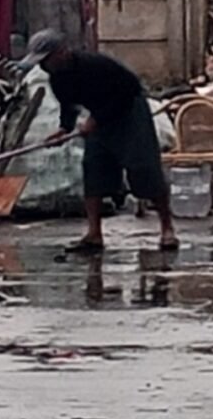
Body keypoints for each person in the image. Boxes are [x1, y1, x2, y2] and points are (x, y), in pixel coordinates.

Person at [20, 29, 178, 252]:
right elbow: (69, 105)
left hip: (129, 112)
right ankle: (94, 234)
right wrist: (64, 129)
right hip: (100, 119)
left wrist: (97, 119)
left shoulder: (94, 65)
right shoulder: (57, 78)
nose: (44, 66)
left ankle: (167, 229)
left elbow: (129, 88)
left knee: (144, 168)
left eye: (47, 59)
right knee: (93, 169)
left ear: (62, 53)